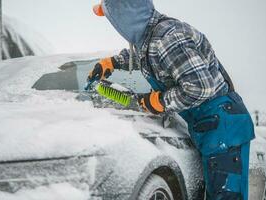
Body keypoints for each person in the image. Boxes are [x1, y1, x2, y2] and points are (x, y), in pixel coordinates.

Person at [88, 0, 255, 199]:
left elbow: (201, 87)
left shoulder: (168, 38)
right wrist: (113, 63)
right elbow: (150, 56)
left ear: (125, 16)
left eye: (112, 18)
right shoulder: (150, 38)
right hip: (209, 123)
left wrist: (157, 102)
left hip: (222, 123)